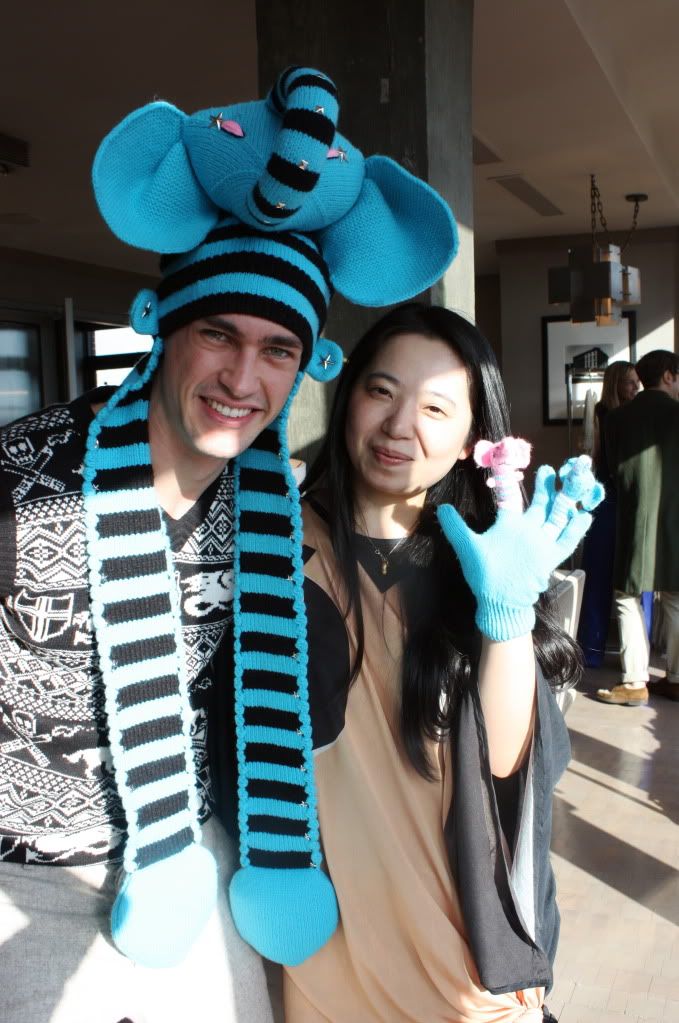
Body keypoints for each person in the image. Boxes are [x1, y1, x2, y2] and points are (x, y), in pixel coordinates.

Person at [0, 68, 458, 1023]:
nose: (243, 377)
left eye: (277, 349)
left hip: (195, 861)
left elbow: (323, 700)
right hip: (25, 876)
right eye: (218, 334)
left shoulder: (271, 514)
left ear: (304, 365)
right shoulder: (24, 482)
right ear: (164, 330)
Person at [214, 303, 599, 1021]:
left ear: (472, 440)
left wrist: (507, 618)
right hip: (327, 964)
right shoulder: (269, 549)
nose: (398, 425)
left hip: (467, 969)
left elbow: (508, 767)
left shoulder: (486, 565)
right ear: (349, 396)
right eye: (381, 391)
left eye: (434, 407)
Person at [596, 349, 679, 707]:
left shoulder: (617, 419)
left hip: (635, 517)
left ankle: (634, 681)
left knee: (627, 596)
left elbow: (611, 470)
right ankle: (676, 678)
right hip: (676, 519)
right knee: (675, 598)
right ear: (669, 376)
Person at [577, 361, 640, 666]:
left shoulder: (631, 413)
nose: (636, 387)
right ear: (616, 383)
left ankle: (621, 653)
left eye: (637, 381)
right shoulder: (602, 413)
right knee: (598, 573)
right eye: (629, 382)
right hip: (606, 498)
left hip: (623, 498)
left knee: (628, 578)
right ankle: (591, 649)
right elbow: (593, 456)